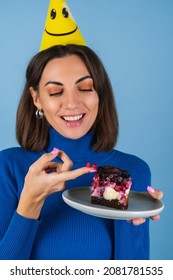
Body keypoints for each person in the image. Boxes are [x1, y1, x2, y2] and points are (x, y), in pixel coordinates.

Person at [0, 44, 163, 260]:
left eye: (85, 88)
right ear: (37, 98)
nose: (71, 103)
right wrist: (30, 201)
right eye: (55, 91)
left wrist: (131, 218)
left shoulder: (134, 171)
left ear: (100, 93)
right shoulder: (9, 167)